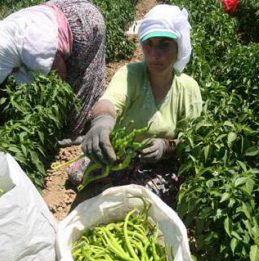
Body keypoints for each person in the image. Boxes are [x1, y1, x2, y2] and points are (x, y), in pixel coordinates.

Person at [68, 4, 203, 207]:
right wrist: (102, 122)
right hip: (118, 154)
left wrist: (166, 146)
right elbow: (110, 101)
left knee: (145, 199)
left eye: (164, 44)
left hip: (156, 165)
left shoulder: (187, 88)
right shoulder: (131, 74)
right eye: (149, 44)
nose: (155, 53)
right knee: (85, 182)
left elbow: (194, 141)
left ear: (179, 47)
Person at [0, 0, 106, 134]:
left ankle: (83, 127)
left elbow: (59, 84)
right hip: (57, 12)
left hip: (83, 22)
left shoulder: (36, 49)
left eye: (9, 69)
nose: (10, 72)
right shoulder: (0, 41)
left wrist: (47, 114)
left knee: (80, 82)